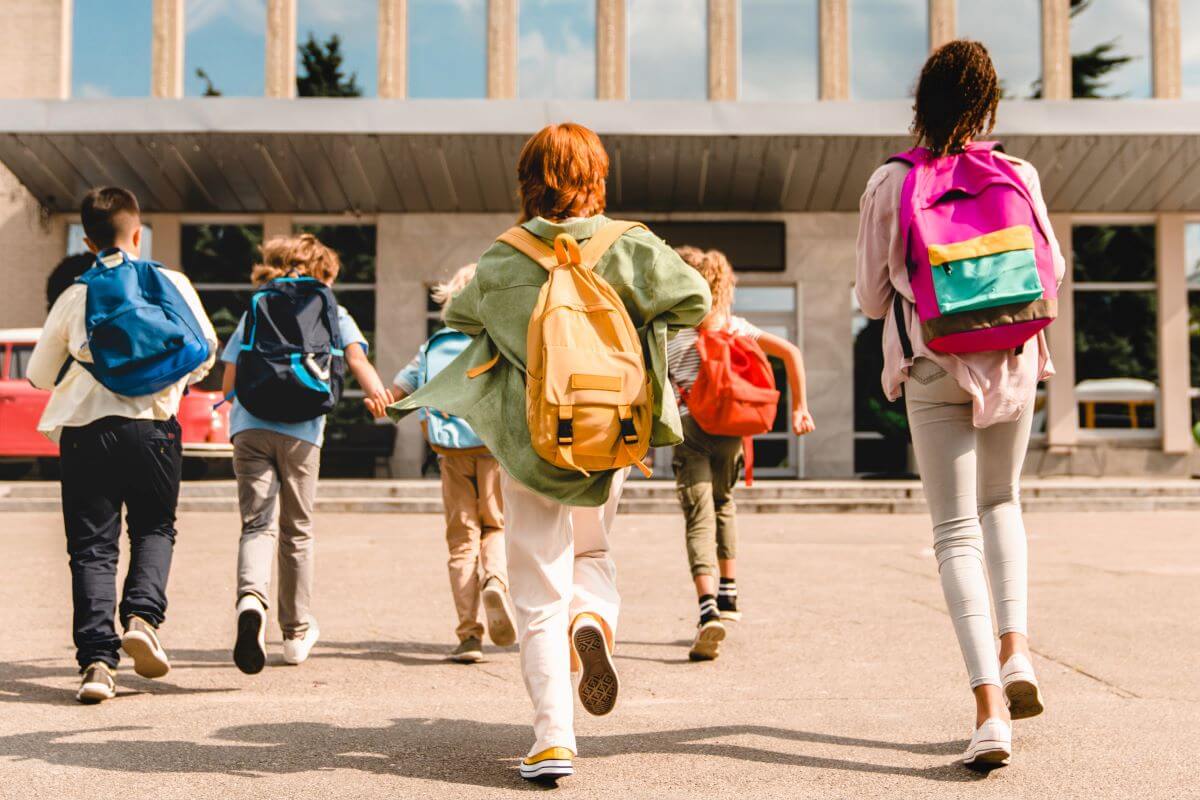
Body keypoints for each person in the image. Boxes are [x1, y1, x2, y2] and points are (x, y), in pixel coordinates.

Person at [392, 122, 710, 785]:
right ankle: (592, 617)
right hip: (610, 433)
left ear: (527, 180)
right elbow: (695, 301)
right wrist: (641, 343)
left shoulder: (503, 259)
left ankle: (553, 737)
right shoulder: (633, 245)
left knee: (537, 588)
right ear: (597, 176)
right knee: (592, 552)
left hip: (532, 440)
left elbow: (460, 324)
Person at [856, 40, 1064, 768]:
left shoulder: (891, 180)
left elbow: (871, 296)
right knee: (1002, 503)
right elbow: (1054, 272)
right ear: (988, 106)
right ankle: (1017, 651)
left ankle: (987, 711)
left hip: (933, 360)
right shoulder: (1017, 171)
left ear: (923, 103)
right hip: (1009, 358)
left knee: (953, 532)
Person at [27, 187, 219, 703]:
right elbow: (205, 350)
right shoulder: (169, 282)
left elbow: (38, 374)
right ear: (139, 234)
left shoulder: (76, 293)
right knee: (155, 527)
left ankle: (96, 664)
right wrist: (163, 382)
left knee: (92, 547)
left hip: (87, 431)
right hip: (155, 428)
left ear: (88, 239)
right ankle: (141, 617)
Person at [222, 233, 393, 674]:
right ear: (324, 273)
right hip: (303, 432)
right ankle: (295, 634)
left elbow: (229, 381)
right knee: (296, 530)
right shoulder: (333, 309)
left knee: (256, 525)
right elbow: (356, 361)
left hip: (250, 427)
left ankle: (250, 601)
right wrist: (379, 397)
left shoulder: (258, 304)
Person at [667, 247, 815, 662]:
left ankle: (707, 606)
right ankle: (729, 594)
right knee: (724, 503)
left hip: (691, 429)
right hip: (731, 430)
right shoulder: (734, 326)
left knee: (699, 515)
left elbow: (653, 385)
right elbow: (792, 353)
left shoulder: (672, 331)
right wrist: (800, 408)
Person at [391, 263, 516, 664]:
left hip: (450, 452)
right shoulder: (497, 340)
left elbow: (398, 392)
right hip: (494, 447)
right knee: (495, 525)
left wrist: (380, 398)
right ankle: (495, 578)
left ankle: (469, 635)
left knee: (462, 541)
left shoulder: (433, 346)